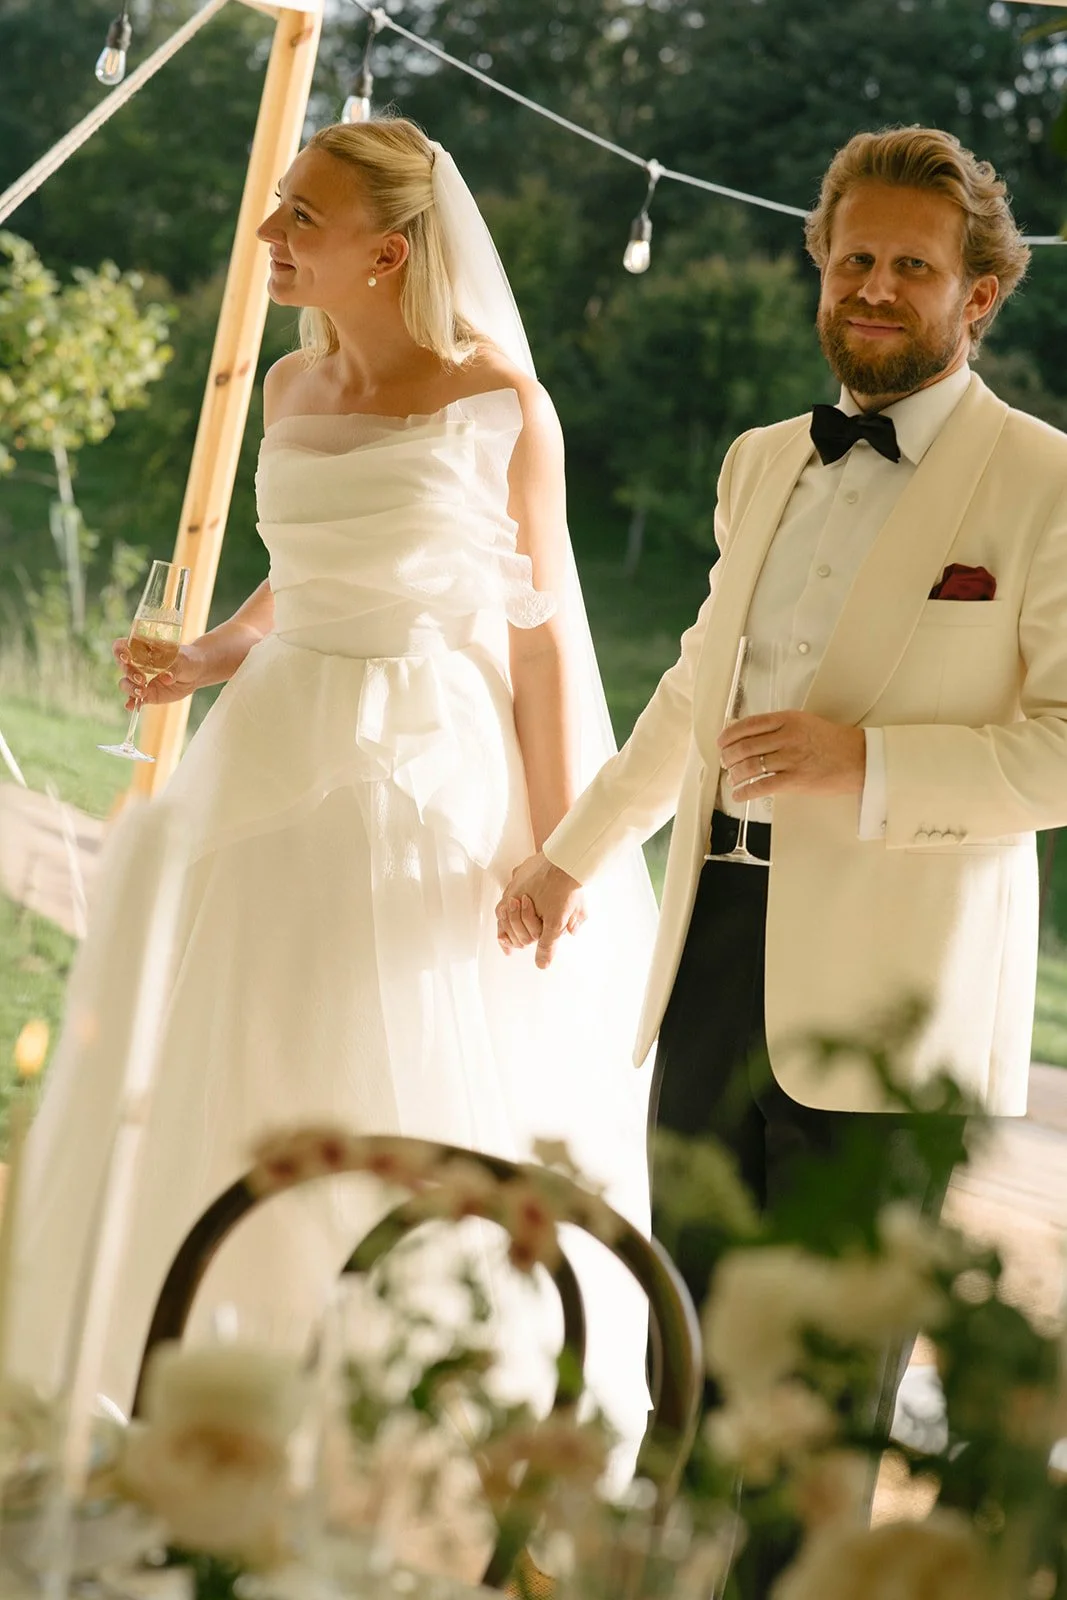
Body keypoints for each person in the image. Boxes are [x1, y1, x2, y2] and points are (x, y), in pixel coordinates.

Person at [10, 117, 656, 1465]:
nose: (270, 234)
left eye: (301, 215)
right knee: (227, 1044)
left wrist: (553, 845)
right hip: (270, 750)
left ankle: (380, 1416)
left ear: (392, 248)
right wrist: (207, 654)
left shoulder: (496, 404)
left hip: (421, 766)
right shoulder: (293, 393)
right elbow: (301, 577)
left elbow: (536, 635)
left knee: (387, 1063)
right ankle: (202, 1377)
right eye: (281, 208)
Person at [497, 122, 1067, 1553]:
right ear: (818, 264)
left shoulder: (1043, 480)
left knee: (821, 1390)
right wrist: (574, 850)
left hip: (896, 995)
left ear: (975, 293)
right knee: (680, 1338)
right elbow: (695, 688)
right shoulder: (759, 462)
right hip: (712, 954)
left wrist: (861, 765)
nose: (873, 286)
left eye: (910, 266)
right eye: (852, 257)